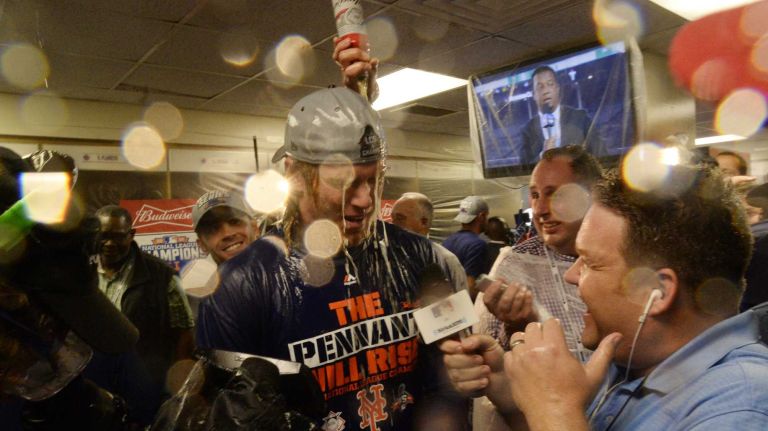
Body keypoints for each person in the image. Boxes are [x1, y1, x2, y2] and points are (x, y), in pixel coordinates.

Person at [196, 87, 464, 431]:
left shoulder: (425, 257)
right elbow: (224, 415)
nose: (366, 200)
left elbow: (452, 373)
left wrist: (473, 369)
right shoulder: (237, 287)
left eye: (374, 179)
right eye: (344, 182)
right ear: (294, 175)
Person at [441, 164, 768, 430]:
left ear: (657, 292)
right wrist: (513, 394)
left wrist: (555, 408)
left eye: (591, 263)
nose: (572, 275)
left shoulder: (742, 404)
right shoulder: (629, 361)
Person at [472, 145, 602, 430]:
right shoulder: (513, 266)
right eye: (534, 195)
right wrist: (515, 328)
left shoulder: (622, 258)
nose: (540, 209)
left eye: (555, 194)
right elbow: (486, 373)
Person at [94, 205, 195, 404]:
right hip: (97, 381)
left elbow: (184, 331)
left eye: (118, 236)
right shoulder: (82, 272)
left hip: (145, 380)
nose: (109, 243)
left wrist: (177, 383)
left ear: (131, 235)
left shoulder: (162, 276)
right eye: (103, 236)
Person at [181, 190, 258, 317]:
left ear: (255, 228)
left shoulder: (290, 277)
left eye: (234, 222)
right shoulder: (198, 301)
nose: (227, 234)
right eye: (214, 229)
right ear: (202, 245)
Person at [391, 192, 468, 296]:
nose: (392, 224)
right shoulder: (385, 258)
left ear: (423, 222)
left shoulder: (446, 260)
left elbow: (462, 306)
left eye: (400, 219)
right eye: (392, 218)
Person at [519, 66, 595, 164]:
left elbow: (601, 155)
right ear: (534, 94)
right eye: (540, 87)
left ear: (557, 88)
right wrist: (543, 155)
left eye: (550, 84)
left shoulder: (580, 117)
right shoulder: (527, 130)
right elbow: (523, 167)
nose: (546, 91)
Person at [443, 195, 490, 300]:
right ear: (481, 216)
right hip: (466, 309)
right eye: (486, 217)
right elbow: (470, 288)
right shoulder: (478, 245)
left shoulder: (447, 241)